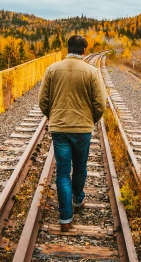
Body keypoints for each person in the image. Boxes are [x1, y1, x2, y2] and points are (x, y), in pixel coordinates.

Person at [39, 35, 106, 230]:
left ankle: (65, 218)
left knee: (62, 172)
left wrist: (53, 116)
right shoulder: (92, 72)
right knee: (80, 165)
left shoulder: (52, 69)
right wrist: (90, 120)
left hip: (59, 129)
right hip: (82, 128)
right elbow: (100, 103)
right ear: (84, 51)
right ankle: (78, 200)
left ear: (67, 48)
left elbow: (43, 100)